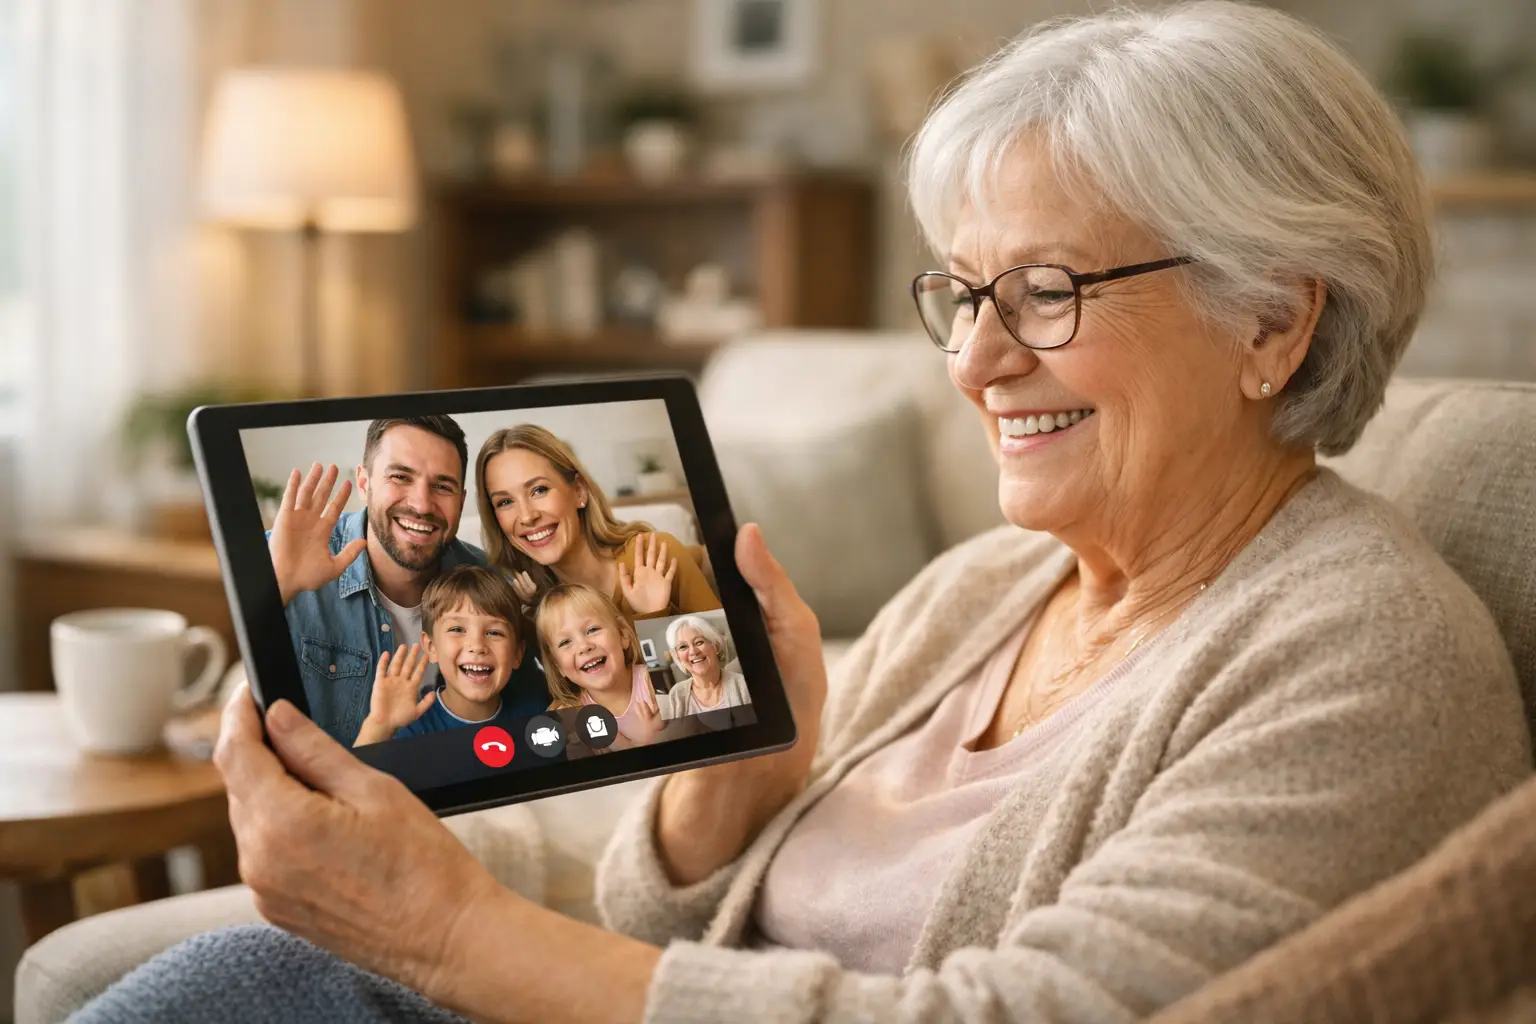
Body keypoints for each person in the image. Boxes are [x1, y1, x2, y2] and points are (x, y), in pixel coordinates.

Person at [75, 4, 1534, 1023]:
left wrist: (455, 934)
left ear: (1273, 323)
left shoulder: (1370, 657)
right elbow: (674, 944)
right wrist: (730, 798)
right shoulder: (985, 590)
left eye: (1045, 291)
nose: (974, 358)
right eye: (964, 292)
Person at [271, 417, 547, 746]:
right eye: (400, 477)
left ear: (461, 500)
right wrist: (279, 585)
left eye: (443, 486)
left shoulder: (491, 580)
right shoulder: (284, 558)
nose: (420, 504)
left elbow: (539, 713)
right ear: (364, 482)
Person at [475, 424, 721, 625]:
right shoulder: (535, 605)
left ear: (579, 491)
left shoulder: (653, 556)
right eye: (505, 501)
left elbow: (729, 667)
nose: (527, 516)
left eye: (539, 490)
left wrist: (653, 617)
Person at [352, 565, 549, 746]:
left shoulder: (539, 714)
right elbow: (355, 784)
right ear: (431, 647)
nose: (477, 646)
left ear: (517, 653)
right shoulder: (411, 729)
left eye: (494, 632)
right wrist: (379, 726)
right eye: (457, 629)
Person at [537, 583, 664, 750]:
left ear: (622, 635)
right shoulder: (570, 716)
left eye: (592, 630)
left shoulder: (655, 682)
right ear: (557, 666)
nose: (584, 647)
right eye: (565, 642)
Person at [661, 614, 750, 719]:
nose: (693, 652)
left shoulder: (743, 686)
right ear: (678, 657)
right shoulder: (676, 694)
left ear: (716, 646)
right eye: (683, 647)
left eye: (699, 642)